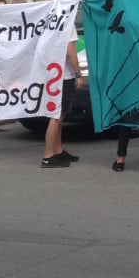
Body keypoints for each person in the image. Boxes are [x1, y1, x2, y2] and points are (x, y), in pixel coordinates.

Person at [41, 19, 84, 167]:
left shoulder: (51, 22)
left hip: (52, 74)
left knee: (59, 115)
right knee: (57, 116)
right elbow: (71, 52)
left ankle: (57, 150)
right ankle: (48, 156)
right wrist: (78, 74)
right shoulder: (68, 24)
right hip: (64, 75)